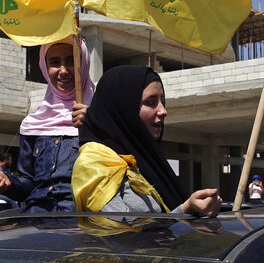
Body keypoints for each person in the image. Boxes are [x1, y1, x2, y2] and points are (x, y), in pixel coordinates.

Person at [72, 65, 220, 215]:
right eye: (151, 102)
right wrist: (185, 211)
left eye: (162, 101)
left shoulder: (142, 161)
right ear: (125, 108)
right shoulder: (94, 166)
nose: (163, 111)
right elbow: (119, 234)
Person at [0, 35, 94, 212]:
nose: (63, 70)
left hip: (82, 225)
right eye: (55, 62)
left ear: (85, 63)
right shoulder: (33, 124)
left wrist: (93, 127)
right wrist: (8, 183)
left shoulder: (101, 118)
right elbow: (28, 185)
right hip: (36, 222)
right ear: (45, 66)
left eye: (72, 61)